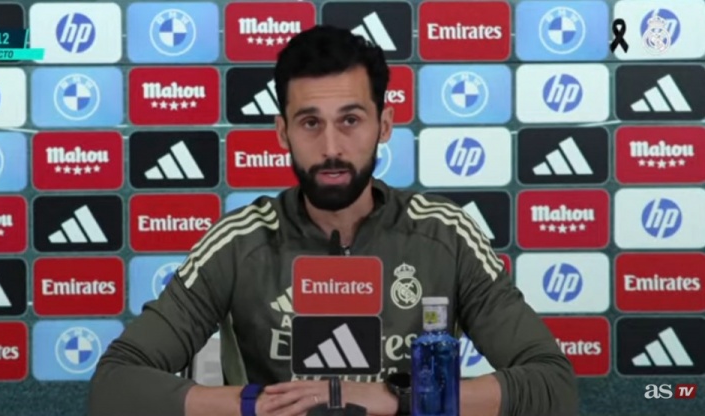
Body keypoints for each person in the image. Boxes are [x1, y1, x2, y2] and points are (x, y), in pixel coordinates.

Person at [88, 25, 579, 416]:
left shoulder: (444, 234)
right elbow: (114, 385)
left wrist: (396, 399)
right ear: (282, 132)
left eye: (350, 120)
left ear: (384, 125)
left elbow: (553, 385)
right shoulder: (239, 243)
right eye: (310, 123)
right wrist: (257, 404)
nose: (330, 148)